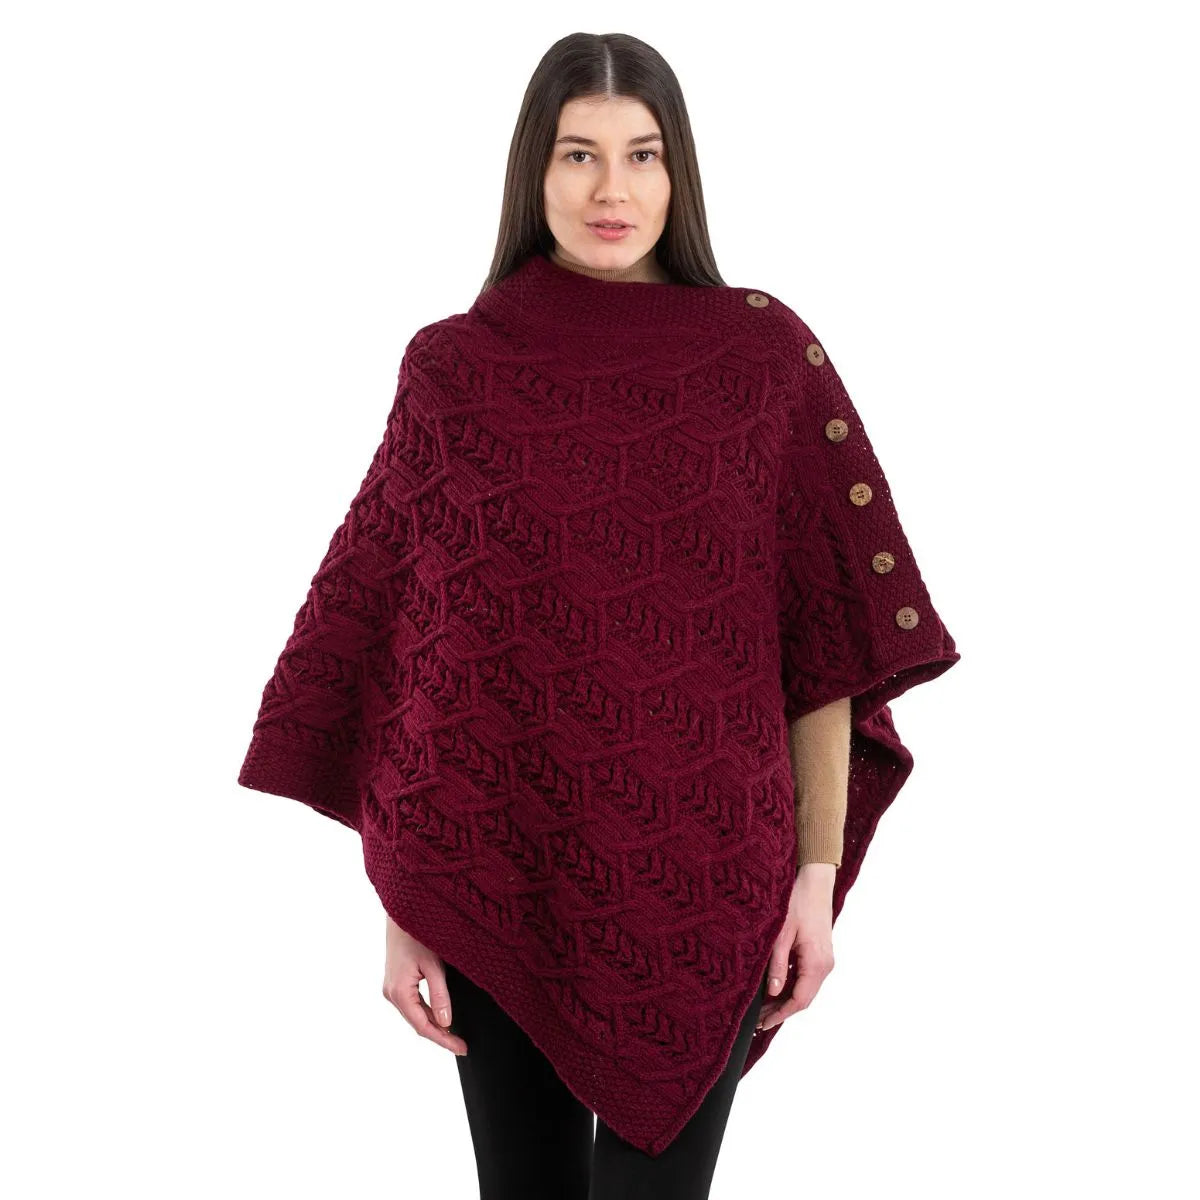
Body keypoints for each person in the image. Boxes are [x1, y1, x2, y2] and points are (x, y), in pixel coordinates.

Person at [237, 31, 960, 1200]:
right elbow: (419, 673)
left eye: (642, 154)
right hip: (499, 873)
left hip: (711, 883)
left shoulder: (762, 358)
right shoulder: (456, 371)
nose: (611, 189)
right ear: (536, 169)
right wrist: (410, 901)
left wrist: (815, 879)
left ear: (680, 175)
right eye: (578, 154)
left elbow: (821, 650)